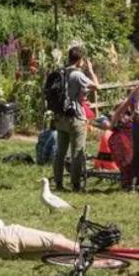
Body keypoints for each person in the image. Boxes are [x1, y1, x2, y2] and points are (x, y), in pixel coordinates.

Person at [50, 46, 99, 192]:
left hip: (60, 117)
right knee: (77, 152)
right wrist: (90, 70)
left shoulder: (61, 72)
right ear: (80, 60)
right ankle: (76, 185)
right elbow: (96, 86)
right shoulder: (77, 75)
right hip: (75, 117)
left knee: (60, 152)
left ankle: (58, 183)